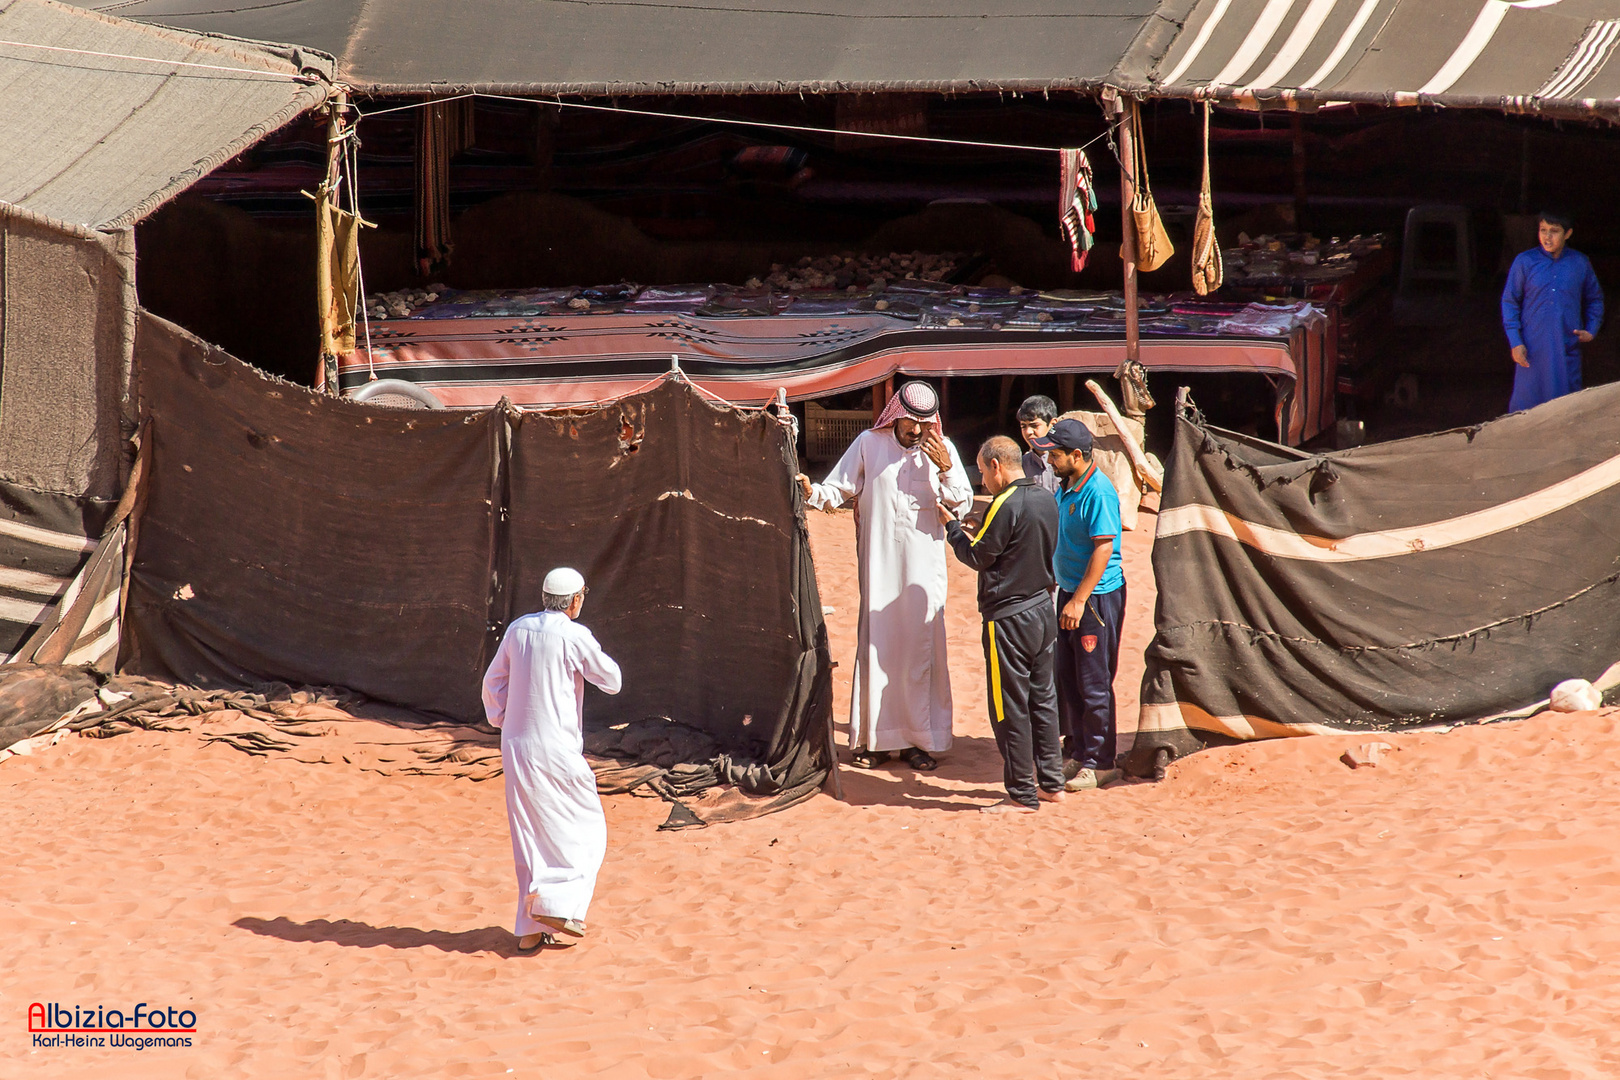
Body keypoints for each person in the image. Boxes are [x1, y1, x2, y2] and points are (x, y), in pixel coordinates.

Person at [795, 380, 973, 771]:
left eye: (925, 424)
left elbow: (962, 503)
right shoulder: (869, 444)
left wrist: (945, 469)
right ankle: (875, 741)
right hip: (879, 566)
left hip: (923, 573)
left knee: (919, 649)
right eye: (911, 423)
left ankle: (918, 741)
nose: (917, 431)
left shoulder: (944, 451)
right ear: (897, 415)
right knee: (879, 645)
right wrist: (811, 493)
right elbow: (836, 489)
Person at [482, 567, 622, 953]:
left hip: (516, 745)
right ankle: (559, 908)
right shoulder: (575, 636)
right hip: (555, 748)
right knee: (587, 827)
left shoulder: (518, 629)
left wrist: (502, 720)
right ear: (575, 600)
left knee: (528, 833)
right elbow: (612, 680)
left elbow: (493, 683)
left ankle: (529, 929)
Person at [939, 436, 1065, 813]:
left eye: (982, 472)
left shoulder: (1004, 502)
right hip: (1043, 609)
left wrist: (953, 529)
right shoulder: (1046, 496)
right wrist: (985, 526)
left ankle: (1022, 794)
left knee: (1009, 705)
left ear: (996, 466)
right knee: (1043, 699)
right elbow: (1017, 543)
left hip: (1009, 619)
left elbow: (979, 557)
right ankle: (1052, 783)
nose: (982, 482)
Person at [1028, 419, 1125, 792]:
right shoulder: (1068, 486)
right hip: (1069, 592)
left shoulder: (1097, 492)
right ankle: (1078, 752)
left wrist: (1080, 600)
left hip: (1095, 598)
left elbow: (1103, 548)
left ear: (1077, 455)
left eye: (1054, 453)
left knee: (1094, 682)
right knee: (1068, 678)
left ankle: (1101, 762)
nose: (1049, 459)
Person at [1502, 210, 1604, 412]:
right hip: (1531, 349)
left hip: (1566, 347)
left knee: (1565, 410)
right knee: (1524, 413)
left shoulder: (1580, 263)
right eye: (1543, 230)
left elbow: (1595, 299)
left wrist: (1591, 329)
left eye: (1554, 231)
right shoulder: (1525, 262)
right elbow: (1510, 302)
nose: (1547, 237)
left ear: (1568, 234)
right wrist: (1515, 341)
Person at [1016, 395, 1062, 496]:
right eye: (1023, 426)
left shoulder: (1067, 462)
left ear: (1052, 424)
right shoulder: (1021, 466)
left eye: (1034, 425)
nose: (1028, 432)